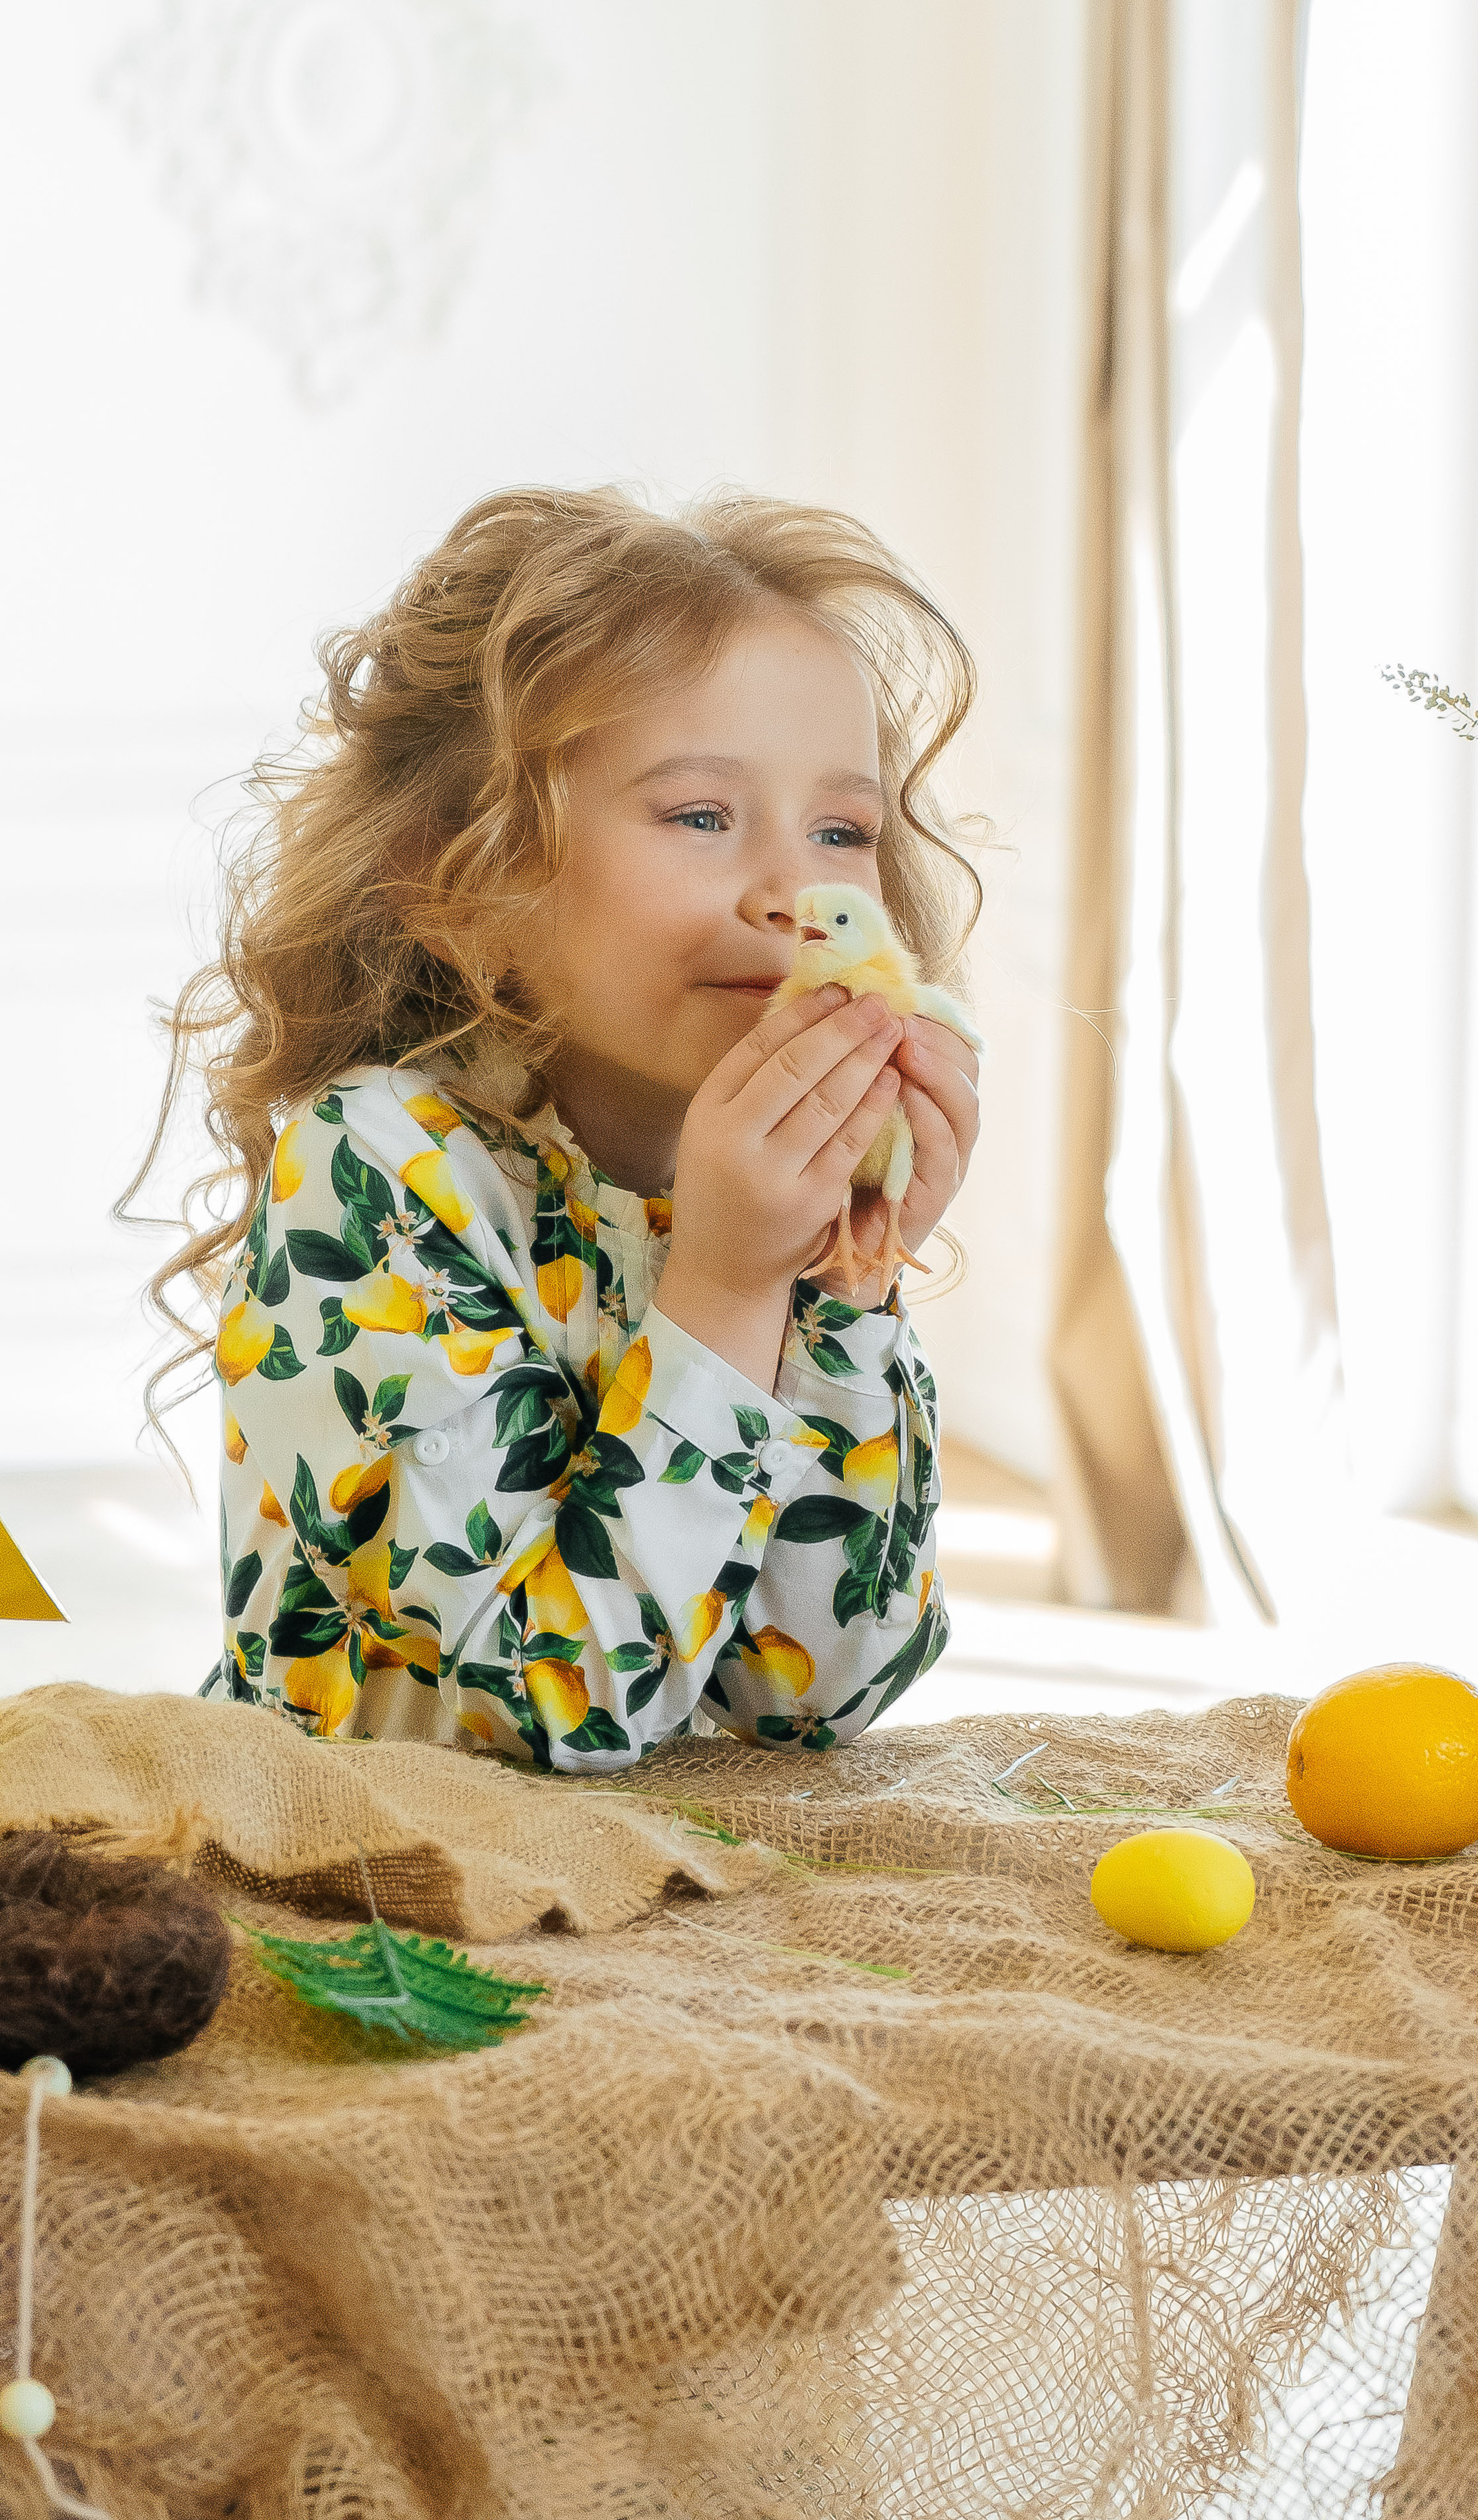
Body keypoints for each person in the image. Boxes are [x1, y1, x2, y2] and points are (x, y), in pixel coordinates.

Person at [129, 487, 983, 1766]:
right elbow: (544, 1710)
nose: (791, 889)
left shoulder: (760, 1200)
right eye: (700, 815)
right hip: (375, 1866)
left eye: (843, 832)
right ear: (460, 885)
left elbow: (816, 1697)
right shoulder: (379, 1172)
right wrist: (727, 1292)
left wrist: (847, 1288)